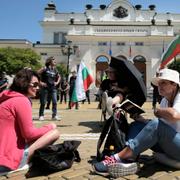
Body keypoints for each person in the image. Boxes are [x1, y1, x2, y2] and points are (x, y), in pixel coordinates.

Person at [93, 68, 180, 177]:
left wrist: (157, 111)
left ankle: (117, 158)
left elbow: (174, 116)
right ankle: (129, 160)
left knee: (156, 123)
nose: (159, 86)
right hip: (170, 143)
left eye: (163, 83)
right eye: (158, 83)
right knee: (137, 125)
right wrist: (142, 120)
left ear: (174, 85)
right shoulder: (164, 101)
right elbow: (165, 126)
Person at [0, 68, 60, 174]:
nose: (38, 88)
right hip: (7, 161)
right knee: (54, 133)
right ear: (24, 83)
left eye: (39, 85)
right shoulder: (22, 100)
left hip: (3, 152)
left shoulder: (7, 98)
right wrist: (50, 126)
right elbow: (29, 134)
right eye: (35, 84)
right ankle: (23, 162)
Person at [38, 56, 61, 120]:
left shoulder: (55, 70)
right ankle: (41, 115)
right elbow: (36, 74)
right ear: (50, 61)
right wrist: (40, 82)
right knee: (43, 102)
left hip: (53, 88)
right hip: (45, 88)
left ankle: (54, 115)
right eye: (53, 60)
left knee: (55, 101)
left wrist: (57, 82)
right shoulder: (45, 68)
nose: (55, 61)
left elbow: (59, 77)